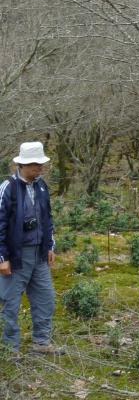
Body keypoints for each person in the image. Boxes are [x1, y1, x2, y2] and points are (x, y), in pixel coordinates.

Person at [0, 141, 63, 355]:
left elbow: (47, 219)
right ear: (23, 165)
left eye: (40, 164)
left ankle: (41, 343)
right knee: (10, 303)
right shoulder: (8, 188)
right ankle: (10, 348)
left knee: (45, 298)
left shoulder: (41, 185)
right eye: (35, 164)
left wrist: (50, 245)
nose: (40, 168)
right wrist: (2, 258)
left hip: (39, 254)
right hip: (16, 256)